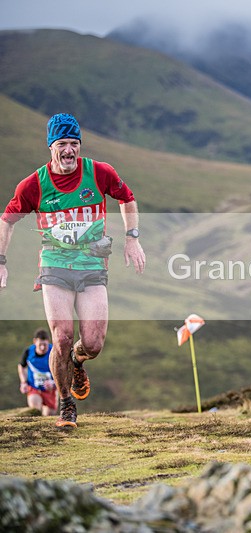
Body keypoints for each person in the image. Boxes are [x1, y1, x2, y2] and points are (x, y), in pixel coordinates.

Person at [0, 113, 146, 429]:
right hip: (54, 265)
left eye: (74, 144)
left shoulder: (100, 173)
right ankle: (66, 404)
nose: (69, 151)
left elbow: (127, 197)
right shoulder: (34, 184)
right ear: (51, 146)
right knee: (62, 336)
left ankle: (77, 362)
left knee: (92, 343)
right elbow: (6, 221)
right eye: (63, 144)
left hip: (92, 264)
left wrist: (132, 239)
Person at [17, 328, 57, 416]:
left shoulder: (54, 352)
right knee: (35, 411)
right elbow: (21, 367)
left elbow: (62, 371)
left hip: (50, 389)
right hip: (33, 387)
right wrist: (23, 382)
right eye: (40, 345)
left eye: (45, 345)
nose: (42, 348)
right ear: (35, 341)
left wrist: (53, 383)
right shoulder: (28, 352)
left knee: (49, 416)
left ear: (48, 342)